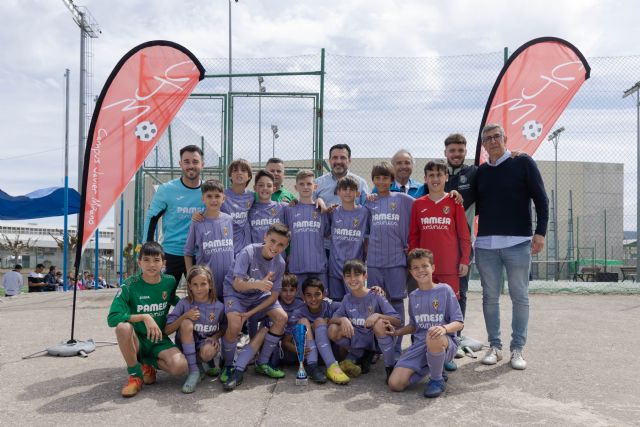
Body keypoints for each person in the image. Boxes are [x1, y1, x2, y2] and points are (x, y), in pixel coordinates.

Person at [475, 123, 548, 370]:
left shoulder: (523, 163)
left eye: (497, 137)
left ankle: (517, 349)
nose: (493, 141)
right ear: (483, 145)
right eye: (488, 139)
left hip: (518, 243)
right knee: (490, 297)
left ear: (505, 138)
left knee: (520, 296)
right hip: (485, 246)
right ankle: (495, 347)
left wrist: (540, 233)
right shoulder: (481, 172)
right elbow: (464, 196)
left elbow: (541, 199)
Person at [107, 242, 187, 398]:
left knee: (180, 367)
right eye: (147, 260)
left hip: (158, 339)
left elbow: (172, 299)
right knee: (123, 328)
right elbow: (112, 318)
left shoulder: (169, 281)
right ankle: (135, 375)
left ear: (163, 263)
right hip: (137, 340)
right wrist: (145, 317)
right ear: (139, 262)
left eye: (156, 260)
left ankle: (148, 363)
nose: (152, 264)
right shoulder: (130, 285)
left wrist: (191, 307)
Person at [220, 223, 290, 391]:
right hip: (236, 293)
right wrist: (258, 284)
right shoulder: (249, 252)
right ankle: (229, 364)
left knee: (282, 318)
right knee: (235, 325)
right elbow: (237, 285)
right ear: (265, 237)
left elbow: (273, 296)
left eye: (281, 244)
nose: (275, 247)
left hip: (258, 296)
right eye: (272, 241)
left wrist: (251, 313)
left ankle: (262, 362)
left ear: (285, 246)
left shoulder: (280, 262)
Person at [387, 249, 464, 398]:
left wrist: (443, 328)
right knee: (395, 384)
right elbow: (414, 326)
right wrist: (397, 332)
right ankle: (433, 367)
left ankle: (437, 379)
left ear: (433, 268)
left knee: (432, 334)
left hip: (444, 342)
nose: (420, 270)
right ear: (411, 271)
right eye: (415, 267)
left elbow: (459, 323)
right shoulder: (414, 296)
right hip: (420, 344)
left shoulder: (445, 290)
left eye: (424, 266)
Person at [365, 161, 414, 355]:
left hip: (396, 261)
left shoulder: (403, 199)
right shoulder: (369, 201)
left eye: (385, 178)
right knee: (376, 303)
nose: (381, 181)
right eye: (378, 178)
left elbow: (425, 207)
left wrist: (412, 242)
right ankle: (380, 345)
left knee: (395, 302)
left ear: (392, 180)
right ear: (373, 180)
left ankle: (396, 344)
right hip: (375, 262)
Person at [328, 259, 401, 382]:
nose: (352, 279)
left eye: (357, 274)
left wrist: (378, 315)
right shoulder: (347, 299)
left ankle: (390, 366)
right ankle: (360, 354)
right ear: (344, 279)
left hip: (376, 340)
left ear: (365, 276)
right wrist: (343, 319)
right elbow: (331, 320)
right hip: (359, 340)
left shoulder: (376, 295)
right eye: (348, 276)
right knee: (333, 329)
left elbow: (398, 320)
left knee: (379, 323)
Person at [409, 160, 471, 300]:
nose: (435, 179)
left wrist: (464, 260)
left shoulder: (455, 202)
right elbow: (413, 236)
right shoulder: (418, 204)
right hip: (425, 268)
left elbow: (464, 235)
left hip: (449, 266)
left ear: (446, 177)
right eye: (431, 175)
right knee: (427, 308)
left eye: (439, 175)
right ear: (425, 179)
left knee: (449, 309)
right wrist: (414, 262)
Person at [143, 145, 204, 286]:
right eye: (186, 161)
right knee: (162, 297)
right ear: (180, 164)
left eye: (195, 162)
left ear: (202, 164)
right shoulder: (167, 190)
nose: (191, 166)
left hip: (198, 254)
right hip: (171, 253)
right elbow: (152, 218)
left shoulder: (208, 191)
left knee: (199, 298)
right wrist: (148, 247)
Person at [165, 265, 225, 394]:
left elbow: (225, 328)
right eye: (195, 284)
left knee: (208, 352)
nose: (199, 288)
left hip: (205, 344)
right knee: (186, 323)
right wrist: (185, 316)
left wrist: (215, 337)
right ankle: (194, 371)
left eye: (203, 284)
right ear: (189, 286)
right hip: (185, 346)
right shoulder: (184, 304)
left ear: (210, 284)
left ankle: (202, 364)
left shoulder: (219, 306)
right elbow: (167, 330)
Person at [288, 276, 350, 385]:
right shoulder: (298, 312)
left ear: (324, 294)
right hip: (309, 355)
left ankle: (332, 366)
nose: (313, 299)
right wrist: (297, 350)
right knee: (303, 322)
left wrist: (375, 292)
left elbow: (354, 304)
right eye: (309, 295)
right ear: (303, 297)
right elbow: (285, 341)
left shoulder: (331, 306)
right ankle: (312, 367)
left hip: (331, 352)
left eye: (317, 294)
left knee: (320, 321)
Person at [184, 179, 235, 300]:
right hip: (207, 284)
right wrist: (191, 276)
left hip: (228, 281)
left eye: (217, 196)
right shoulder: (197, 222)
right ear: (203, 199)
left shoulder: (228, 220)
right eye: (209, 196)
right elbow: (188, 252)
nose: (213, 200)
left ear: (223, 198)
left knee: (228, 316)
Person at [283, 170, 330, 292]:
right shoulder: (289, 210)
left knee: (321, 302)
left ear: (315, 187)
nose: (305, 187)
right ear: (296, 187)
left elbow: (327, 234)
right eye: (302, 184)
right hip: (297, 266)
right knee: (298, 302)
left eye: (309, 184)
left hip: (318, 266)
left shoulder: (322, 210)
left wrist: (320, 200)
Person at [327, 176, 369, 301]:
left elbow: (367, 238)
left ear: (358, 193)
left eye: (352, 189)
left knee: (356, 299)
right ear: (338, 192)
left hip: (355, 268)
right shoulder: (333, 212)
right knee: (337, 301)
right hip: (335, 266)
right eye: (344, 189)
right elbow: (325, 232)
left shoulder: (365, 212)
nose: (348, 192)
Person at [221, 159, 255, 255]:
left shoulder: (252, 196)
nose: (239, 173)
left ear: (249, 176)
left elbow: (268, 200)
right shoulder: (221, 195)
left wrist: (292, 202)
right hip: (225, 245)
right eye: (235, 170)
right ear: (230, 175)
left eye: (243, 170)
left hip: (244, 247)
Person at [249, 170, 286, 244]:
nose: (265, 188)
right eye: (261, 185)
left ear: (274, 189)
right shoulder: (249, 210)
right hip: (256, 254)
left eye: (269, 186)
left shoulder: (283, 207)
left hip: (277, 254)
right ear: (254, 188)